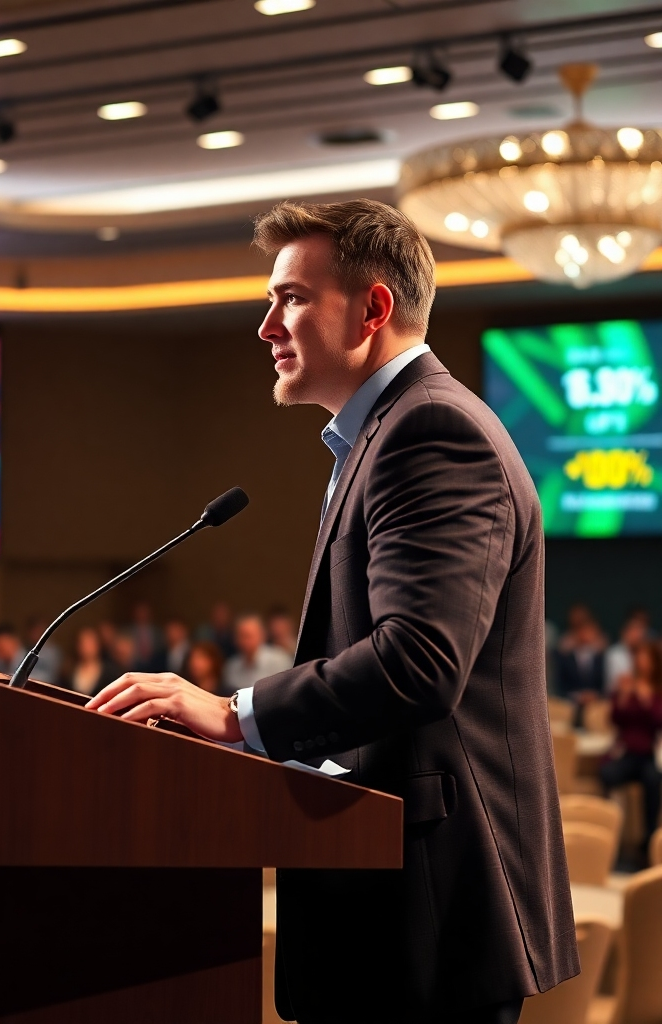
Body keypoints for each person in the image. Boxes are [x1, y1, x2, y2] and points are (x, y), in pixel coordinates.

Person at [89, 199, 577, 1023]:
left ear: (374, 308)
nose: (265, 325)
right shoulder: (387, 433)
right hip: (399, 908)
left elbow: (419, 661)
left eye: (291, 297)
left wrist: (234, 712)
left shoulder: (429, 430)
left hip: (428, 912)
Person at [600, 639, 662, 858]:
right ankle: (610, 836)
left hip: (648, 754)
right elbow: (616, 718)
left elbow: (658, 721)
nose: (641, 662)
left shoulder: (656, 689)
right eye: (639, 657)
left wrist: (646, 699)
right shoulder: (627, 684)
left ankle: (648, 840)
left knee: (653, 782)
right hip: (626, 752)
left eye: (646, 658)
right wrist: (624, 697)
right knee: (606, 774)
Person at [220, 614, 292, 696]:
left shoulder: (280, 660)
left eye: (248, 636)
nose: (245, 641)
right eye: (241, 636)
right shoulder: (231, 666)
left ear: (262, 635)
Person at [555, 604, 608, 710]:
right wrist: (578, 696)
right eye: (583, 630)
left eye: (590, 630)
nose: (586, 634)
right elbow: (560, 687)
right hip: (570, 706)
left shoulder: (600, 657)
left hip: (595, 706)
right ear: (577, 632)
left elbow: (605, 686)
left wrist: (594, 695)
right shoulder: (565, 656)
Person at [605, 609, 651, 695]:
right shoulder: (614, 653)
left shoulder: (648, 652)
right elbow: (617, 683)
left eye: (640, 630)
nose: (637, 635)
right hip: (617, 696)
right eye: (634, 630)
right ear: (625, 632)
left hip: (645, 695)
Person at [67, 627, 118, 697]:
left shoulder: (110, 672)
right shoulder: (69, 670)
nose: (86, 646)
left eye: (90, 642)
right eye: (83, 642)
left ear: (98, 644)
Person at [24, 617, 62, 684]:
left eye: (38, 630)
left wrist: (31, 678)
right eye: (33, 631)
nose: (35, 633)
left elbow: (51, 677)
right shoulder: (26, 649)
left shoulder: (53, 653)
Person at [130, 602, 165, 672]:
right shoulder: (128, 631)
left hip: (156, 667)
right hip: (133, 667)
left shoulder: (158, 632)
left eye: (144, 612)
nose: (142, 614)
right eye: (140, 612)